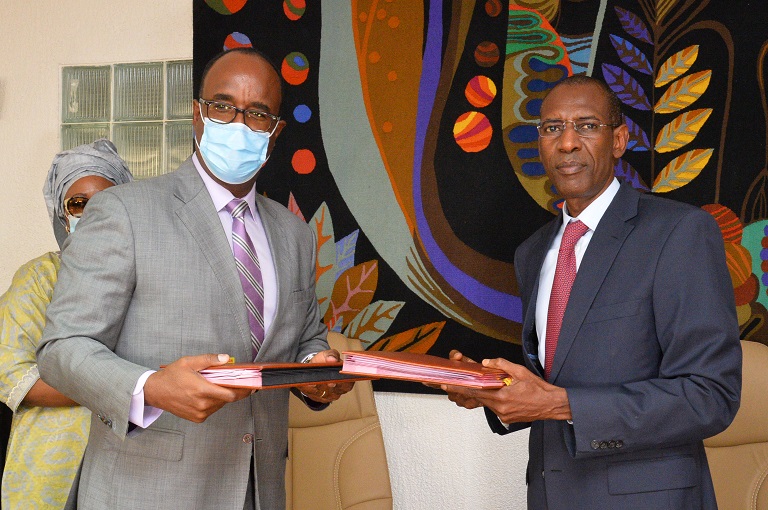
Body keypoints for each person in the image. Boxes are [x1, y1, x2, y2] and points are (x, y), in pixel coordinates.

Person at [37, 48, 353, 510]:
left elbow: (305, 338)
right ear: (198, 114)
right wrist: (149, 387)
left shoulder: (295, 235)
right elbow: (62, 348)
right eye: (223, 106)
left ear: (275, 131)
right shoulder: (125, 210)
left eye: (258, 113)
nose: (238, 124)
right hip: (147, 493)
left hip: (258, 489)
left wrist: (315, 373)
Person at [440, 75, 741, 509]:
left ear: (618, 140)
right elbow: (556, 380)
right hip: (549, 494)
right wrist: (491, 390)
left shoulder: (679, 232)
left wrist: (561, 405)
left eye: (586, 126)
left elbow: (710, 396)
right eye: (552, 128)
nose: (567, 143)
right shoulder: (533, 253)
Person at [0, 139, 132, 508]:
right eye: (79, 203)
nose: (93, 212)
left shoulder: (151, 280)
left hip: (134, 462)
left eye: (107, 200)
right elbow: (13, 375)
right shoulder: (39, 278)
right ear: (62, 214)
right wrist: (125, 389)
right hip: (50, 464)